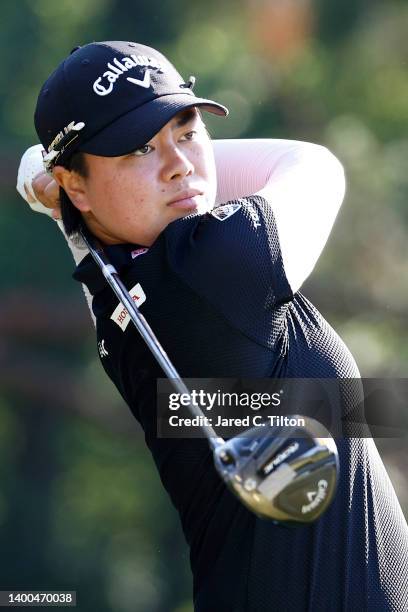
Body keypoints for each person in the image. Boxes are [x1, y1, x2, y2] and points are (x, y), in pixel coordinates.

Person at [17, 41, 408, 611]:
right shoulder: (220, 266)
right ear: (76, 184)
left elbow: (327, 407)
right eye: (138, 148)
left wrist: (70, 193)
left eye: (187, 130)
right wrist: (56, 183)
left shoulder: (117, 300)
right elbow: (313, 164)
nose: (180, 163)